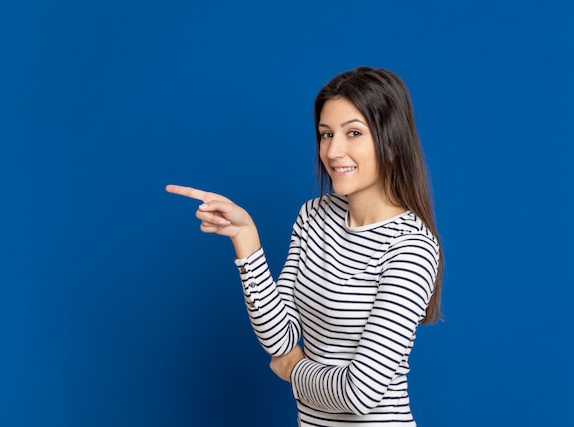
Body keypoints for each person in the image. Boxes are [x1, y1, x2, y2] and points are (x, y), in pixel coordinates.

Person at [166, 66, 443, 426]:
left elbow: (361, 393)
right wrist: (245, 239)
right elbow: (280, 337)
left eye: (353, 133)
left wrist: (293, 370)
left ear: (391, 143)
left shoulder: (411, 247)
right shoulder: (314, 216)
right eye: (326, 134)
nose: (333, 150)